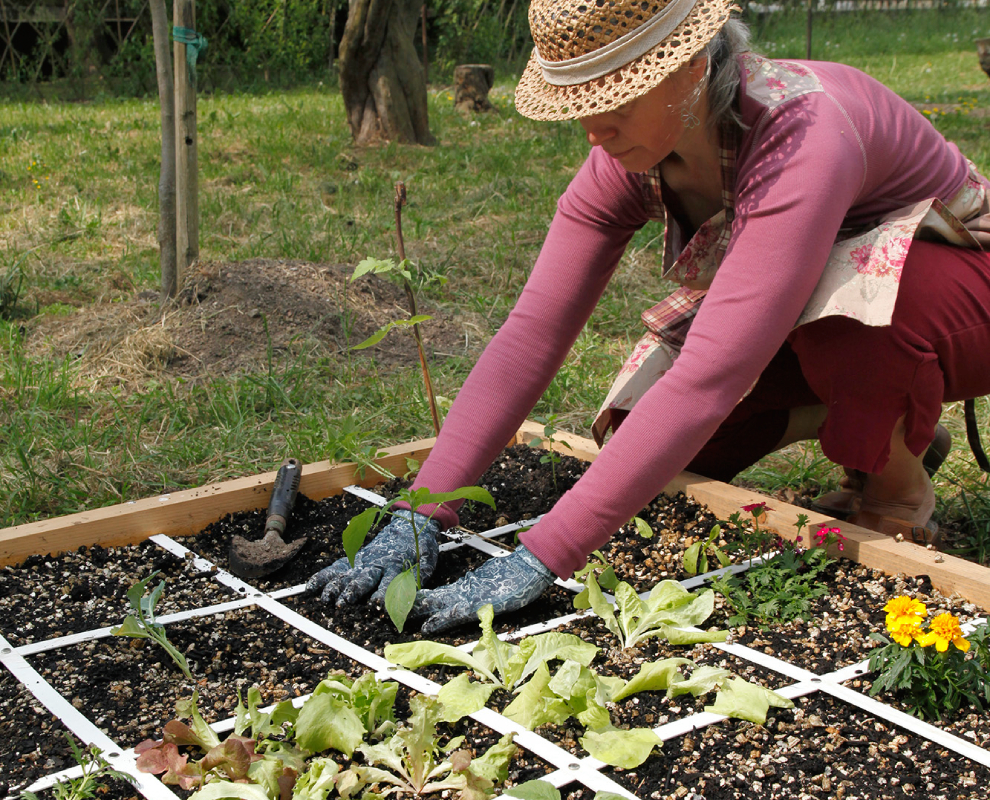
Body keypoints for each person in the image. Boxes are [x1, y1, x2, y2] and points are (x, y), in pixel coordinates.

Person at [307, 0, 990, 632]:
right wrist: (424, 509)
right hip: (824, 302)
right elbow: (532, 333)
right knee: (646, 438)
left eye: (616, 99)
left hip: (961, 294)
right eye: (580, 101)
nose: (592, 127)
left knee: (845, 325)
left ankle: (896, 493)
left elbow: (709, 378)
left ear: (693, 69)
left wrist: (540, 558)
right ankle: (873, 419)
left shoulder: (803, 134)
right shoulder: (628, 151)